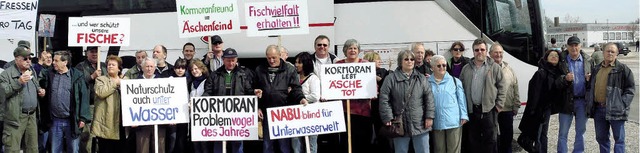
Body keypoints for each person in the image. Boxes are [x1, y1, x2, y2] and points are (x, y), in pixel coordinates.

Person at [379, 50, 435, 153]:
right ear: (400, 61)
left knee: (423, 150)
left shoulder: (421, 78)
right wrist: (387, 117)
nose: (409, 61)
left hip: (420, 123)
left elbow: (429, 98)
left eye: (412, 59)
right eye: (406, 59)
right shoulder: (390, 79)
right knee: (401, 151)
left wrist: (429, 116)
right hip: (400, 125)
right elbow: (384, 99)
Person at [254, 45, 307, 153]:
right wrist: (258, 106)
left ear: (280, 55)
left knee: (284, 145)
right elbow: (254, 88)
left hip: (283, 113)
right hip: (267, 112)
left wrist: (301, 98)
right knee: (267, 145)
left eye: (274, 57)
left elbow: (296, 88)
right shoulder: (260, 69)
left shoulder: (289, 69)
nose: (271, 60)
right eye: (268, 58)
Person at [203, 48, 255, 153]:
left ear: (237, 60)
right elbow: (208, 92)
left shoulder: (244, 74)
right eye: (228, 60)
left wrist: (255, 92)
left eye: (233, 60)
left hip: (238, 114)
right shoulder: (215, 75)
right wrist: (200, 102)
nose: (231, 63)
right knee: (218, 141)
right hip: (219, 115)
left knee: (237, 142)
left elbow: (248, 91)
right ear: (223, 59)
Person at [587, 42, 635, 153]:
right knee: (601, 138)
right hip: (599, 109)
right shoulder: (596, 69)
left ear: (617, 54)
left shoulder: (623, 69)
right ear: (603, 53)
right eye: (607, 51)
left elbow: (630, 90)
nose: (609, 53)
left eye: (612, 51)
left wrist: (621, 104)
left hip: (616, 110)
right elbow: (590, 87)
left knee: (619, 139)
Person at [40, 50, 91, 153]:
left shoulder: (77, 76)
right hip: (54, 120)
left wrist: (83, 118)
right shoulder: (49, 74)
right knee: (55, 149)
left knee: (73, 149)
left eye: (56, 60)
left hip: (72, 121)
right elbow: (40, 81)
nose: (53, 62)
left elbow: (84, 98)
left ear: (65, 62)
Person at [459, 39, 505, 153]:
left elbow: (502, 86)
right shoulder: (466, 68)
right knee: (473, 141)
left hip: (489, 110)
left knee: (490, 141)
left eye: (482, 49)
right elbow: (460, 88)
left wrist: (499, 105)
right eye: (477, 50)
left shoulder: (494, 67)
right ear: (473, 51)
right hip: (472, 110)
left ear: (486, 51)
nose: (479, 52)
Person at [518, 49, 566, 153]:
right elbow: (533, 93)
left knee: (544, 134)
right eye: (551, 55)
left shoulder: (557, 73)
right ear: (546, 58)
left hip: (547, 109)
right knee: (537, 135)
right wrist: (533, 110)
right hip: (538, 109)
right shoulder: (541, 72)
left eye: (556, 56)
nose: (554, 57)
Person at [1, 46, 44, 153]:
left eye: (30, 58)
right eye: (25, 59)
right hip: (15, 118)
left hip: (32, 116)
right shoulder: (6, 74)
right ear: (16, 59)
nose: (28, 61)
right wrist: (18, 82)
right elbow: (3, 93)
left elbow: (36, 84)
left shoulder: (31, 71)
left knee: (32, 148)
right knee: (12, 149)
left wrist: (40, 90)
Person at [335, 39, 373, 152]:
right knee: (346, 141)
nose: (352, 50)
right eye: (350, 48)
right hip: (344, 111)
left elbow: (371, 85)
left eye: (355, 48)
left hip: (363, 111)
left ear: (359, 50)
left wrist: (372, 92)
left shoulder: (365, 65)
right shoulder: (338, 65)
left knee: (363, 141)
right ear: (345, 50)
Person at [557, 36, 592, 153]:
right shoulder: (561, 61)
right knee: (563, 133)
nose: (574, 48)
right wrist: (564, 78)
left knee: (581, 131)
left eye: (576, 45)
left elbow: (595, 80)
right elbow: (555, 81)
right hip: (566, 101)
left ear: (580, 46)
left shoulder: (588, 60)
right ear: (567, 47)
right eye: (571, 45)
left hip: (582, 102)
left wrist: (590, 79)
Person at [428, 55, 467, 153]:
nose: (442, 68)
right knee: (439, 150)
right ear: (432, 68)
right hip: (436, 122)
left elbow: (461, 100)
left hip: (453, 122)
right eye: (438, 66)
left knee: (453, 150)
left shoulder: (455, 81)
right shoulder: (426, 83)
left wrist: (464, 115)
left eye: (444, 65)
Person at [74, 46, 107, 153]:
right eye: (92, 52)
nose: (94, 54)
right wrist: (92, 76)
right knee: (86, 136)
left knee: (99, 135)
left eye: (96, 51)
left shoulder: (103, 66)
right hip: (88, 106)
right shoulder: (80, 66)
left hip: (102, 106)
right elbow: (77, 83)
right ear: (86, 53)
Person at [489, 42, 520, 153]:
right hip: (492, 110)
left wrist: (516, 105)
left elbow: (515, 87)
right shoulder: (487, 68)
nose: (498, 55)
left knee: (507, 138)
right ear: (490, 54)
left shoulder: (509, 69)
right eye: (496, 52)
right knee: (493, 140)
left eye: (500, 52)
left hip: (507, 110)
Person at [92, 55, 126, 153]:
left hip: (121, 124)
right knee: (106, 149)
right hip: (106, 124)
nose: (110, 66)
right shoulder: (101, 79)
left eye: (113, 65)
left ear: (119, 68)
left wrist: (121, 83)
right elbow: (101, 93)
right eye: (108, 65)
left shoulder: (126, 80)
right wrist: (115, 83)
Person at [134, 58, 168, 153]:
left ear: (155, 68)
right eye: (147, 66)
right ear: (142, 67)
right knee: (142, 149)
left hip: (160, 122)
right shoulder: (135, 83)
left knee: (160, 148)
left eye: (151, 66)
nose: (149, 69)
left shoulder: (162, 82)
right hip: (141, 123)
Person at [362, 52, 392, 153]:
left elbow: (386, 83)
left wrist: (374, 77)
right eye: (376, 60)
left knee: (381, 132)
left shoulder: (383, 71)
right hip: (365, 106)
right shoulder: (361, 72)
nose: (379, 61)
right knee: (367, 132)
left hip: (379, 105)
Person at [291, 52, 320, 153]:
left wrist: (300, 97)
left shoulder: (313, 79)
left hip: (311, 116)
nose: (296, 65)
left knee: (311, 143)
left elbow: (315, 96)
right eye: (295, 62)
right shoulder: (294, 77)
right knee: (296, 142)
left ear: (306, 63)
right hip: (296, 115)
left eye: (299, 62)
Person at [167, 58, 191, 153]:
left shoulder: (189, 80)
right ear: (174, 69)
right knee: (172, 140)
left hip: (184, 114)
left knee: (182, 140)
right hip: (172, 115)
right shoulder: (169, 80)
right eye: (178, 68)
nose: (180, 70)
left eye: (182, 68)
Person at [189, 60, 212, 153]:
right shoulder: (191, 83)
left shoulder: (207, 81)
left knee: (204, 144)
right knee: (195, 144)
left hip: (204, 118)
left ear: (202, 69)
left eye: (196, 68)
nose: (194, 71)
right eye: (192, 69)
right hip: (193, 118)